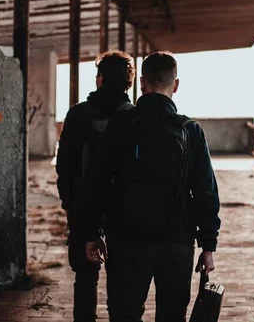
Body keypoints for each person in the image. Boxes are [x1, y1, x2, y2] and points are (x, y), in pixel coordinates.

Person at [83, 52, 221, 322]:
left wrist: (93, 232)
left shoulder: (121, 125)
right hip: (176, 241)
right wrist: (208, 246)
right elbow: (206, 192)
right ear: (176, 85)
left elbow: (97, 181)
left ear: (142, 84)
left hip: (126, 239)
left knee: (125, 314)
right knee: (172, 315)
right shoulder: (190, 130)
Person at [56, 50, 136, 322]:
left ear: (99, 79)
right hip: (124, 213)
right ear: (130, 82)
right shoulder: (135, 118)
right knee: (121, 283)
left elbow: (64, 165)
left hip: (83, 207)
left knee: (85, 278)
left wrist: (70, 206)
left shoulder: (78, 115)